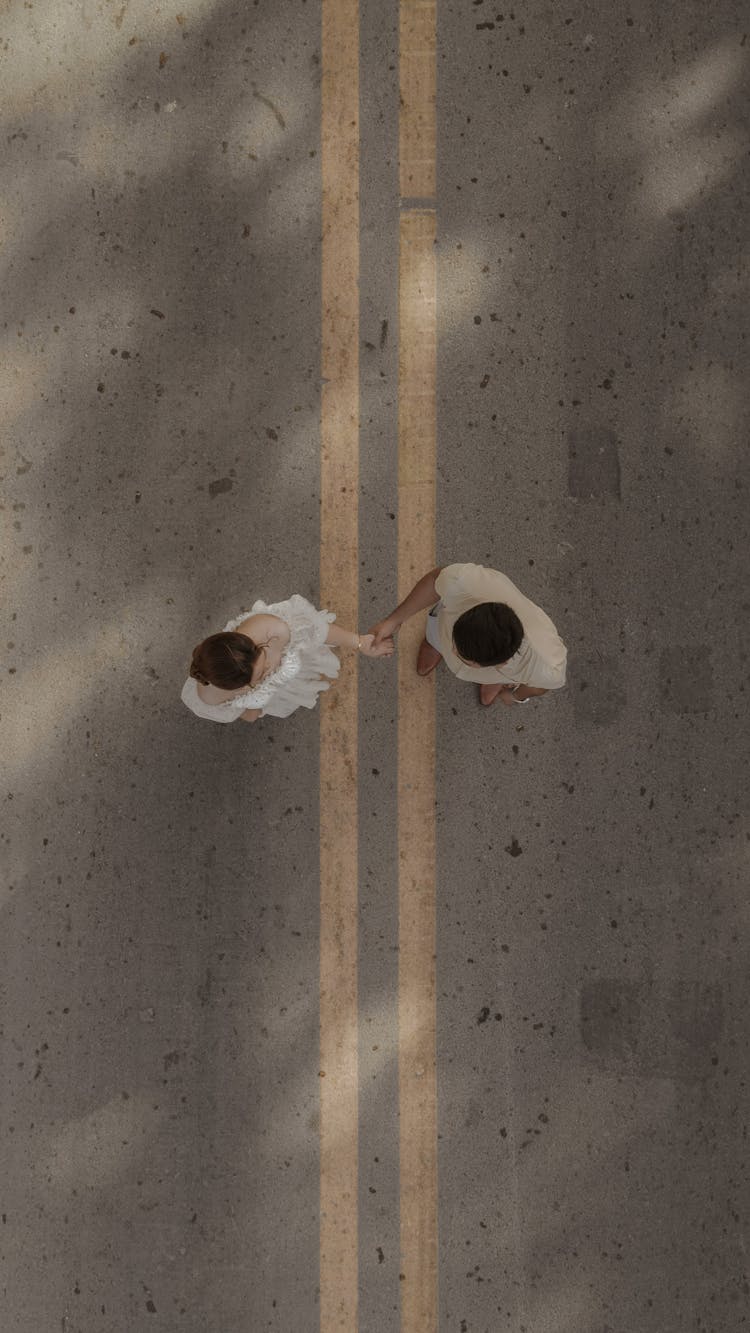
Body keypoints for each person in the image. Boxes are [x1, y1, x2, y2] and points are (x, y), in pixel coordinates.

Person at [369, 562, 566, 706]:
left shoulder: (546, 666)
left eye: (463, 657)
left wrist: (516, 696)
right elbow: (435, 580)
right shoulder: (465, 584)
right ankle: (434, 643)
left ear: (502, 663)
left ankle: (493, 679)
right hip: (446, 626)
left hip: (504, 671)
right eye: (455, 644)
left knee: (491, 672)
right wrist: (393, 621)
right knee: (438, 632)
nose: (452, 651)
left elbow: (540, 686)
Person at [182, 593, 393, 724]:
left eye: (263, 657)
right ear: (238, 686)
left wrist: (360, 642)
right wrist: (256, 702)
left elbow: (317, 630)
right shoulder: (210, 697)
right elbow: (250, 716)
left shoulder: (273, 629)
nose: (269, 671)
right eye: (262, 675)